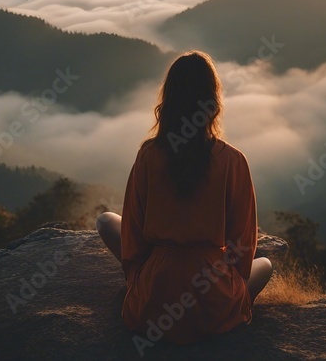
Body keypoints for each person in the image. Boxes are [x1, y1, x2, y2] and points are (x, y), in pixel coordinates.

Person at [96, 51, 272, 345]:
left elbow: (133, 236)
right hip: (212, 297)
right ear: (212, 102)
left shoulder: (149, 155)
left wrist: (140, 281)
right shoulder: (232, 161)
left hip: (155, 296)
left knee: (106, 221)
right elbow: (243, 244)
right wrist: (233, 289)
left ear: (169, 100)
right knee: (264, 265)